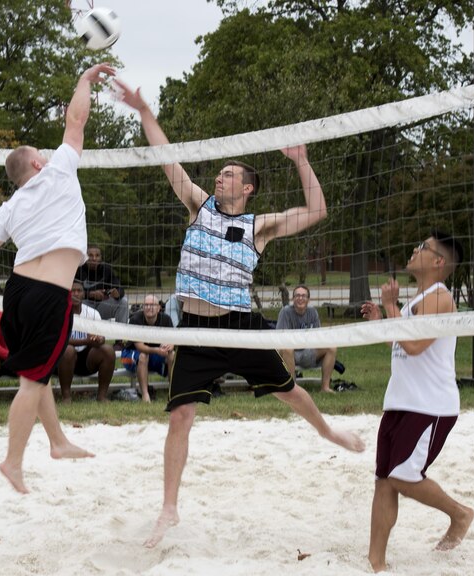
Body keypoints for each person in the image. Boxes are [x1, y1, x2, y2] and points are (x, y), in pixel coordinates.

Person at [115, 78, 366, 548]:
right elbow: (167, 159)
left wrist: (301, 160)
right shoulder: (199, 205)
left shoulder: (260, 225)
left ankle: (327, 430)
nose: (220, 178)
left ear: (248, 187)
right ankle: (169, 508)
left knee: (288, 392)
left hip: (239, 325)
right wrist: (145, 111)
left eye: (230, 174)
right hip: (194, 329)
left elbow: (317, 209)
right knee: (180, 416)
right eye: (220, 173)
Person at [0, 62, 116, 493]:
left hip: (15, 293)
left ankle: (57, 441)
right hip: (49, 296)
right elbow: (76, 120)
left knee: (38, 370)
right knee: (34, 380)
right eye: (44, 153)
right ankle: (12, 461)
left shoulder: (11, 206)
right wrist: (84, 80)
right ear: (38, 162)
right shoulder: (58, 170)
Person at [360, 231, 474, 573]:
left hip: (430, 406)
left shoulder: (439, 297)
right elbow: (400, 345)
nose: (413, 249)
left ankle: (460, 514)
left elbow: (414, 345)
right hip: (400, 402)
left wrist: (391, 307)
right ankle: (376, 562)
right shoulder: (416, 301)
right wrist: (383, 321)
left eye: (422, 247)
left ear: (439, 262)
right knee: (384, 479)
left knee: (402, 476)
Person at [56, 279, 115, 403]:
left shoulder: (93, 313)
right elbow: (61, 341)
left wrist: (99, 339)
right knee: (68, 350)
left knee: (108, 350)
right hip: (64, 361)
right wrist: (86, 341)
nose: (76, 294)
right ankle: (66, 397)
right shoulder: (59, 313)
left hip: (88, 359)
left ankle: (102, 396)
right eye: (72, 291)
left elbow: (101, 337)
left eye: (79, 291)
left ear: (83, 294)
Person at [276, 284, 341, 393]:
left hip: (309, 352)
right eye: (297, 295)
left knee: (332, 347)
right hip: (291, 353)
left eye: (303, 296)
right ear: (293, 299)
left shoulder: (313, 312)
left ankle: (325, 387)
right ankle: (292, 389)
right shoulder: (285, 312)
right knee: (287, 349)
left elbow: (318, 336)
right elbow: (281, 338)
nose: (300, 298)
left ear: (308, 299)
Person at [120, 294, 174, 403]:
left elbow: (173, 340)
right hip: (128, 357)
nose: (149, 307)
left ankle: (173, 392)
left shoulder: (166, 319)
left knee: (172, 354)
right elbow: (139, 346)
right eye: (146, 305)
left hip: (153, 355)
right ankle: (145, 395)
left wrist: (169, 346)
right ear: (143, 307)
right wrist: (158, 350)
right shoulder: (135, 319)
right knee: (143, 356)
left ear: (159, 308)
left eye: (152, 305)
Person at [76, 245, 129, 323]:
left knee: (123, 302)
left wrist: (117, 293)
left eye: (97, 256)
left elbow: (120, 288)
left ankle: (121, 333)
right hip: (84, 306)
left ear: (101, 257)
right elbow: (72, 292)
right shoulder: (78, 269)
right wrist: (90, 294)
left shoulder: (106, 269)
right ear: (85, 257)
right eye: (90, 255)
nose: (94, 258)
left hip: (102, 305)